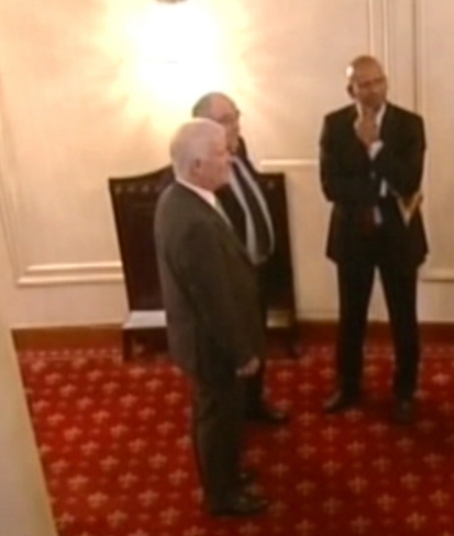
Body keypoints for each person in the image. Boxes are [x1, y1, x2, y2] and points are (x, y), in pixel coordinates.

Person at [154, 119, 269, 517]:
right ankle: (223, 496)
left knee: (218, 416)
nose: (230, 159)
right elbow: (213, 300)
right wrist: (242, 354)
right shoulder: (194, 223)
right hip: (214, 347)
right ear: (198, 165)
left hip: (203, 340)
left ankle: (226, 477)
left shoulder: (179, 198)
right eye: (222, 153)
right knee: (218, 420)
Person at [318, 55, 427, 424]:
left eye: (379, 80)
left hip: (398, 236)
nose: (374, 88)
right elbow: (331, 186)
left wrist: (377, 147)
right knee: (352, 318)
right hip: (353, 235)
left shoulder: (410, 125)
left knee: (404, 318)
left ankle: (405, 392)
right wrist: (378, 188)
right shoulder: (334, 125)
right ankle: (348, 387)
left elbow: (409, 180)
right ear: (351, 89)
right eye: (364, 84)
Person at [191, 92, 289, 426]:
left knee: (256, 342)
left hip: (255, 270)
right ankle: (233, 423)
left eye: (236, 116)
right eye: (226, 120)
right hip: (228, 279)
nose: (236, 125)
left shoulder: (239, 150)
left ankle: (254, 403)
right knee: (234, 351)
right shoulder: (199, 170)